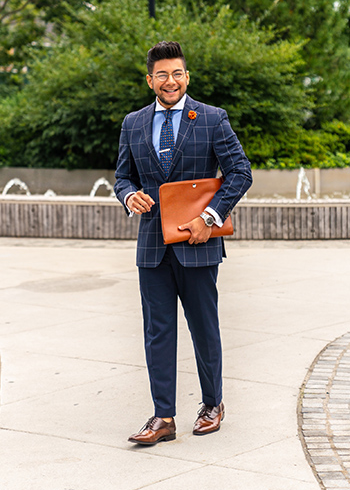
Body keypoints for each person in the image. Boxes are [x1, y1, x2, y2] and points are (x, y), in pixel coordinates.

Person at [114, 41, 252, 445]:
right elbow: (123, 176)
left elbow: (240, 172)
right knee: (157, 332)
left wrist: (210, 217)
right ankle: (163, 417)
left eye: (176, 73)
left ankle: (213, 403)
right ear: (150, 80)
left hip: (199, 242)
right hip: (152, 245)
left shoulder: (211, 119)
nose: (170, 81)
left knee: (204, 328)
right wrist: (128, 195)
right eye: (162, 74)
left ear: (186, 77)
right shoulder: (133, 123)